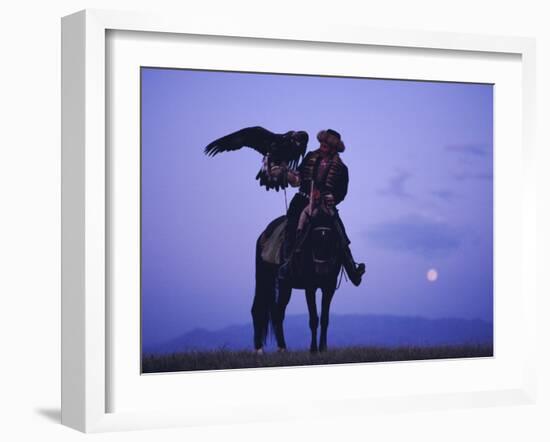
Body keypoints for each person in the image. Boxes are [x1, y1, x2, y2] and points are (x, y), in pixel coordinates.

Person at [278, 129, 365, 286]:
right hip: (303, 199)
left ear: (334, 148)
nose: (323, 147)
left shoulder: (342, 169)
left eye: (328, 145)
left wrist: (333, 198)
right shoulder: (310, 156)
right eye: (323, 143)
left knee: (340, 233)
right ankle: (286, 264)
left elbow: (342, 192)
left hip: (325, 205)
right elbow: (298, 176)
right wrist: (289, 175)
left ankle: (352, 270)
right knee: (291, 226)